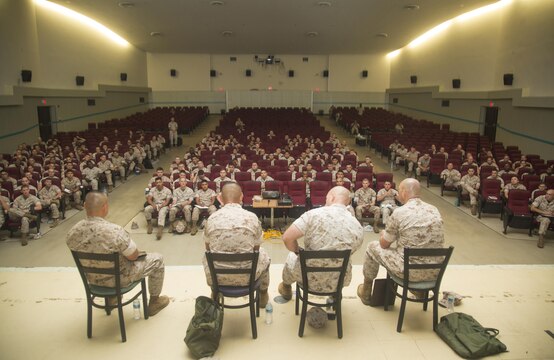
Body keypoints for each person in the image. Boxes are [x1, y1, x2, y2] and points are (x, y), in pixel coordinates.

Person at [66, 192, 169, 316]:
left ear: (84, 205)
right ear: (105, 207)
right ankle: (154, 303)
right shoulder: (115, 231)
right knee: (157, 259)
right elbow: (133, 256)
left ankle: (112, 298)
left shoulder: (73, 231)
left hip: (93, 281)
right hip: (119, 279)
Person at [357, 179, 445, 305]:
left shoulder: (400, 212)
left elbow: (384, 244)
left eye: (399, 191)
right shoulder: (434, 210)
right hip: (434, 271)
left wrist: (383, 234)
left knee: (372, 247)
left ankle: (366, 291)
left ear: (403, 192)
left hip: (408, 271)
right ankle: (419, 291)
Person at [278, 186, 363, 300]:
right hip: (338, 279)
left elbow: (287, 238)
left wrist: (298, 250)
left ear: (332, 198)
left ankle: (286, 287)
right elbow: (354, 249)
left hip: (307, 277)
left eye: (326, 198)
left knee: (291, 256)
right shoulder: (356, 225)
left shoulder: (313, 215)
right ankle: (333, 296)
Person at [202, 183, 271, 307]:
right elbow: (256, 249)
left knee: (206, 254)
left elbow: (207, 248)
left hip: (218, 277)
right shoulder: (252, 218)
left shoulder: (212, 219)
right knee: (264, 253)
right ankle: (263, 294)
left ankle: (215, 291)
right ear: (241, 197)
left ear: (220, 199)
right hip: (247, 277)